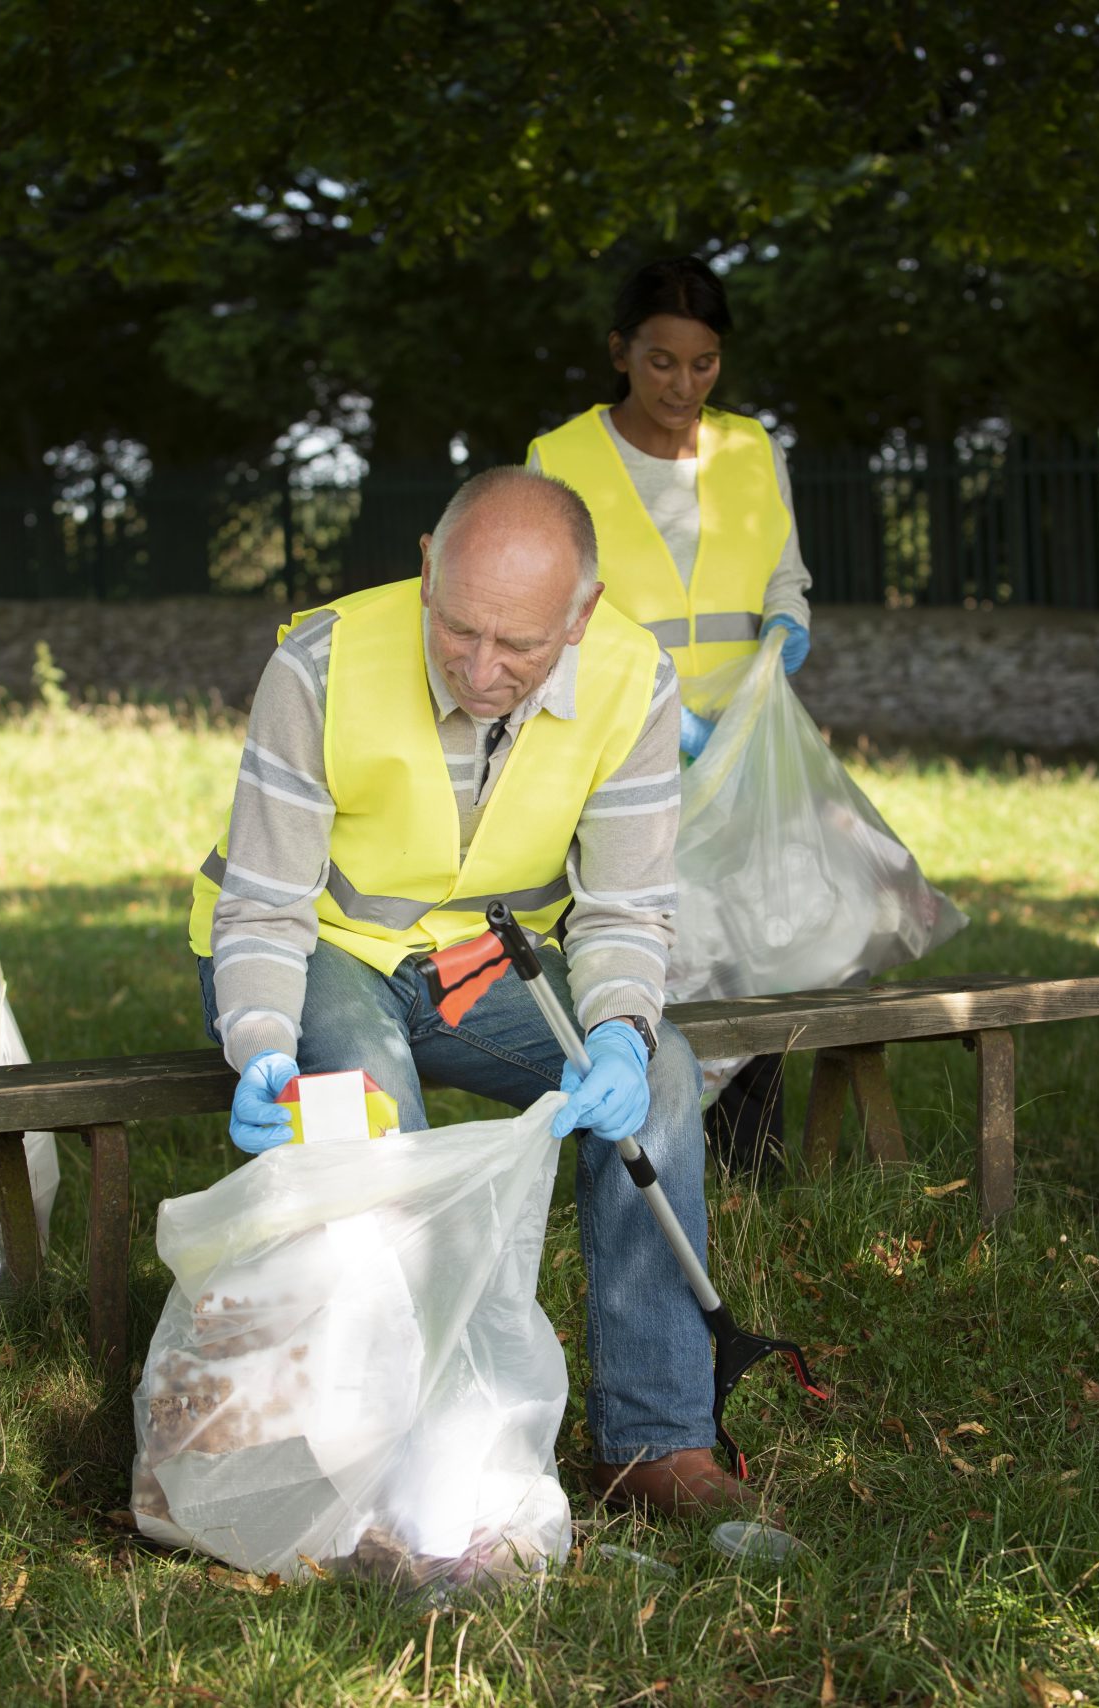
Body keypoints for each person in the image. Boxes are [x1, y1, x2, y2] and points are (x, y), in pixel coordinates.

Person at [188, 467, 763, 1517]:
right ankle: (393, 1462)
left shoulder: (636, 681)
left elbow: (625, 908)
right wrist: (261, 1038)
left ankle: (655, 1441)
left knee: (669, 1075)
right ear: (424, 569)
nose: (482, 667)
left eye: (520, 646)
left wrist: (623, 1033)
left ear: (581, 616)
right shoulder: (315, 663)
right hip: (316, 953)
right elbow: (265, 906)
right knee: (369, 1093)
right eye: (457, 630)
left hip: (486, 970)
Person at [528, 256, 815, 1175]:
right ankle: (634, 1156)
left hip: (744, 739)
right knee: (644, 938)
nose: (683, 386)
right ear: (620, 352)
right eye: (661, 362)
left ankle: (749, 1165)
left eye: (704, 364)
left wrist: (787, 625)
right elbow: (553, 605)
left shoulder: (752, 448)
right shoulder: (560, 457)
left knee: (752, 941)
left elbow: (786, 573)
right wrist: (668, 720)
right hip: (626, 739)